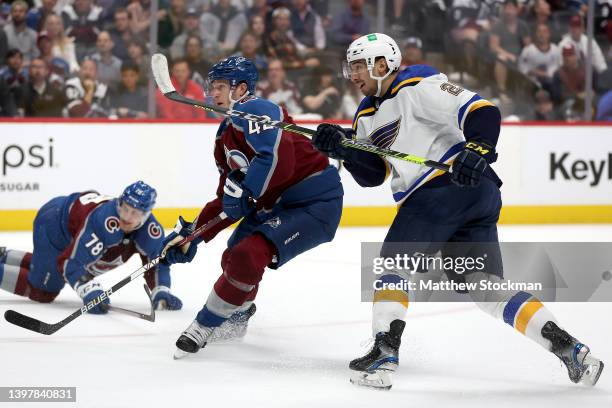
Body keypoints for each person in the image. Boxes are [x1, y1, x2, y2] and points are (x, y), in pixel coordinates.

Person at [311, 32, 603, 389]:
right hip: (473, 198)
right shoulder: (365, 115)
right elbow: (372, 175)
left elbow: (482, 110)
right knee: (482, 286)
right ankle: (570, 348)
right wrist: (343, 148)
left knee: (393, 265)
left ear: (382, 63)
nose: (352, 74)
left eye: (359, 66)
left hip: (444, 189)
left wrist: (478, 148)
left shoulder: (416, 85)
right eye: (350, 67)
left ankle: (383, 355)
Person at [160, 56, 343, 358]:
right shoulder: (224, 136)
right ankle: (238, 314)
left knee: (248, 253)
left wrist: (246, 191)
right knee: (234, 255)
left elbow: (276, 164)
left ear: (241, 88)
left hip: (315, 203)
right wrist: (193, 234)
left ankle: (204, 324)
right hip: (275, 204)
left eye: (220, 87)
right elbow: (225, 200)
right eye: (212, 87)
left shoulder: (262, 111)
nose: (212, 94)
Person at [0, 181, 183, 314]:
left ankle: (3, 255)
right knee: (43, 291)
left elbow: (157, 263)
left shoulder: (151, 231)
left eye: (134, 213)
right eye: (125, 208)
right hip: (55, 225)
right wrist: (90, 289)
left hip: (73, 225)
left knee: (47, 268)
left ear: (146, 215)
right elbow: (70, 263)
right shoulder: (103, 222)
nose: (126, 217)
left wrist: (161, 290)